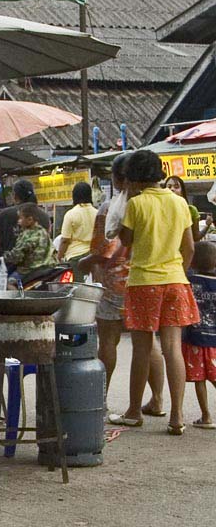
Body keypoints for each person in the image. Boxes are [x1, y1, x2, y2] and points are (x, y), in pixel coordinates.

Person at [109, 150, 198, 436]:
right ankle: (177, 416)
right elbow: (189, 247)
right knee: (173, 348)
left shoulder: (136, 204)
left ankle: (134, 411)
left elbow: (125, 240)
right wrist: (178, 272)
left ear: (134, 177)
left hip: (143, 282)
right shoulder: (179, 202)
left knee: (142, 348)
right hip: (175, 281)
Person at [79, 153, 165, 415]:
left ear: (118, 179)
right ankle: (158, 400)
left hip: (114, 283)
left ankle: (101, 400)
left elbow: (103, 251)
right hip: (148, 280)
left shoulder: (110, 208)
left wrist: (84, 263)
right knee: (149, 343)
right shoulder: (157, 202)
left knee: (108, 341)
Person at [0, 179, 51, 271]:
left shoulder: (4, 215)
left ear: (15, 196)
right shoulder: (45, 217)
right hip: (41, 270)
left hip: (9, 270)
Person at [181, 241, 216, 428]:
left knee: (199, 378)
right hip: (214, 340)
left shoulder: (189, 281)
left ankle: (206, 416)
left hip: (194, 338)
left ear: (192, 261)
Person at [3, 202, 56, 283]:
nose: (18, 221)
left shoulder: (27, 235)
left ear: (30, 220)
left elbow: (17, 256)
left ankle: (16, 291)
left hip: (30, 270)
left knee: (7, 283)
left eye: (20, 218)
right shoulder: (42, 231)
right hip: (48, 268)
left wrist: (4, 256)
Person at [58, 182, 98, 281]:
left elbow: (65, 240)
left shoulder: (71, 214)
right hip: (93, 257)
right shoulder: (97, 213)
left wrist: (59, 257)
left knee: (77, 287)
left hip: (76, 259)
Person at [164, 175, 203, 242]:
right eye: (169, 187)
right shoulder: (159, 210)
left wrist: (207, 225)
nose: (172, 189)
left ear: (182, 191)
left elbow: (196, 237)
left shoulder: (191, 210)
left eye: (176, 187)